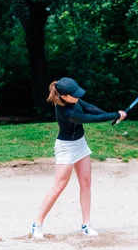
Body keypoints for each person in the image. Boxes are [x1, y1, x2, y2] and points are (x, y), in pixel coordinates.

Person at [31, 78, 127, 239]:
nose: (77, 97)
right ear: (64, 96)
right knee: (59, 186)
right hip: (66, 148)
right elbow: (89, 118)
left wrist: (108, 115)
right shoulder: (67, 112)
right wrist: (115, 115)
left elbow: (89, 107)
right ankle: (37, 224)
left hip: (80, 144)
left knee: (86, 182)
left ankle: (86, 225)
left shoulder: (73, 101)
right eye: (74, 95)